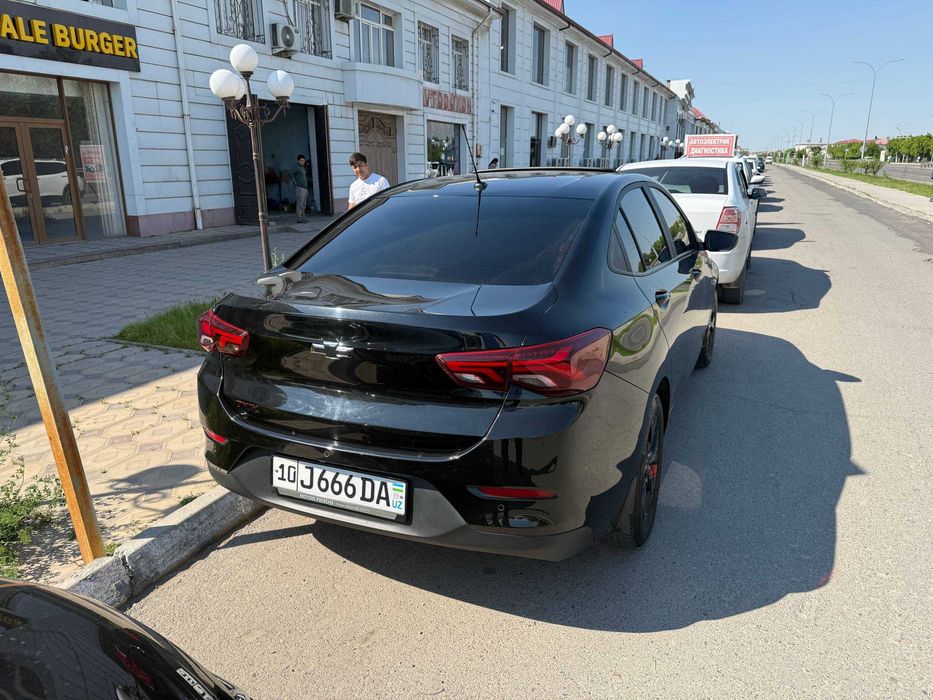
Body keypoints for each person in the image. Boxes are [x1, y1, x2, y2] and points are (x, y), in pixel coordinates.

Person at [293, 154, 309, 223]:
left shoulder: (302, 168)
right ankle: (299, 219)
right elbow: (291, 175)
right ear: (298, 161)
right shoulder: (296, 167)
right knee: (300, 204)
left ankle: (303, 218)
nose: (302, 162)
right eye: (301, 160)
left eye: (303, 161)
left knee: (304, 204)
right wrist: (295, 184)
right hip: (300, 188)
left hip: (305, 188)